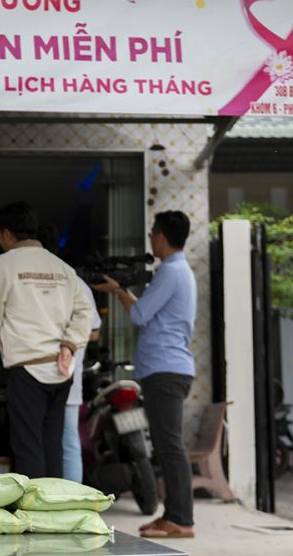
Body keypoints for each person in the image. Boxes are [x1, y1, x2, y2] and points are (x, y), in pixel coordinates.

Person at [0, 202, 93, 479]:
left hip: (26, 370)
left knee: (28, 448)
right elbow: (86, 313)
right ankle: (54, 513)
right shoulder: (62, 268)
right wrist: (69, 344)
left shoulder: (3, 264)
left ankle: (33, 517)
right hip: (61, 372)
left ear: (6, 234)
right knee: (52, 446)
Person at [91, 210, 197, 539]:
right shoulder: (178, 271)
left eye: (153, 234)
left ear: (162, 237)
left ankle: (180, 519)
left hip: (166, 369)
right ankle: (174, 516)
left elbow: (138, 315)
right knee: (167, 446)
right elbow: (147, 312)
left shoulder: (171, 271)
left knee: (169, 447)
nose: (151, 239)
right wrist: (122, 290)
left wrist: (116, 290)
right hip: (167, 368)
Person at [37, 224, 101, 483]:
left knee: (55, 442)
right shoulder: (77, 282)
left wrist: (64, 342)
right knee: (67, 443)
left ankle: (61, 501)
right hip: (66, 375)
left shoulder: (34, 281)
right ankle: (70, 504)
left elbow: (94, 330)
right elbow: (94, 330)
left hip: (47, 374)